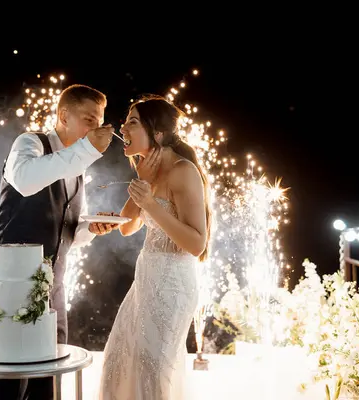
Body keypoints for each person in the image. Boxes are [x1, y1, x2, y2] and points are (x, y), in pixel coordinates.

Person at [0, 83, 119, 400]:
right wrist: (86, 151)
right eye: (89, 119)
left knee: (48, 374)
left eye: (100, 122)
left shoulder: (77, 166)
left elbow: (67, 231)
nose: (96, 129)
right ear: (63, 115)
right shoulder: (29, 143)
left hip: (54, 284)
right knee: (10, 377)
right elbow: (26, 180)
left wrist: (93, 228)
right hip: (11, 282)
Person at [98, 95, 212, 400]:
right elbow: (127, 227)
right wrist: (142, 184)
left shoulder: (183, 170)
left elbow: (195, 243)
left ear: (157, 133)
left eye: (132, 122)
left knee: (152, 368)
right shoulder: (148, 167)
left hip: (173, 284)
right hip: (145, 278)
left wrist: (149, 202)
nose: (123, 127)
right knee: (117, 360)